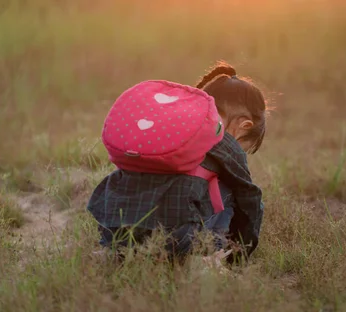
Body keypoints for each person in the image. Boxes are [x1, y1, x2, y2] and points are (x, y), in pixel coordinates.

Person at [86, 62, 268, 265]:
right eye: (244, 146)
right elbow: (250, 200)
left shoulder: (167, 129)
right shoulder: (221, 139)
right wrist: (239, 255)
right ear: (244, 126)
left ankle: (117, 253)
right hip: (178, 237)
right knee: (233, 189)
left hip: (113, 225)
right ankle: (199, 257)